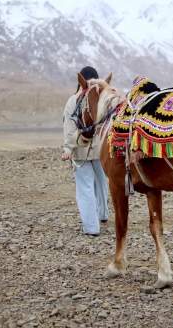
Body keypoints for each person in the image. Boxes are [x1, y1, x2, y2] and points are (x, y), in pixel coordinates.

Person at [61, 66, 109, 236]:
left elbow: (69, 127)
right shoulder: (103, 99)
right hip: (100, 149)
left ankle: (91, 228)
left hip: (80, 150)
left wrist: (67, 148)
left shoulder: (73, 101)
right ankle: (103, 215)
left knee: (85, 188)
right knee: (101, 182)